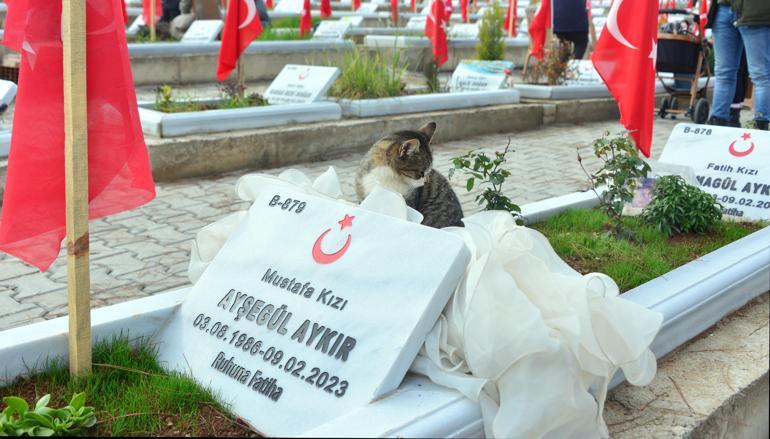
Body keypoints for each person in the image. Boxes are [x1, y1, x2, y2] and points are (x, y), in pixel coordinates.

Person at [707, 0, 770, 130]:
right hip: (722, 9)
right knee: (723, 72)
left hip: (755, 10)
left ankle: (761, 123)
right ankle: (717, 121)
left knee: (760, 74)